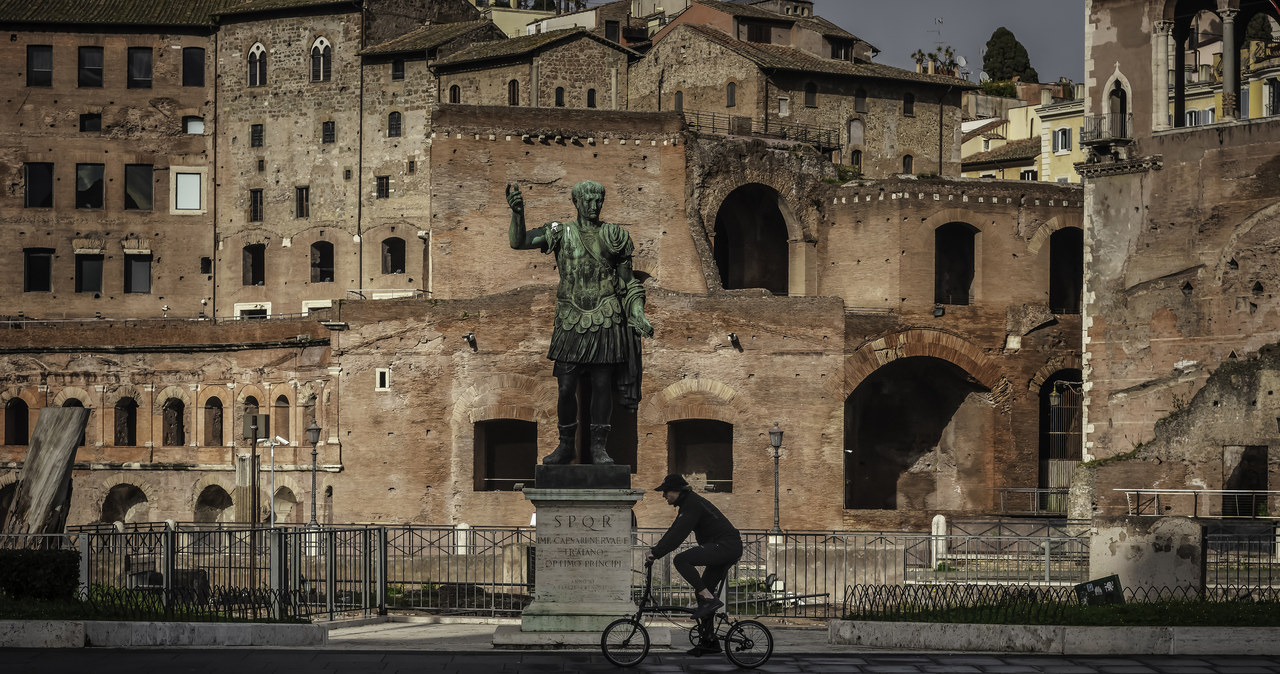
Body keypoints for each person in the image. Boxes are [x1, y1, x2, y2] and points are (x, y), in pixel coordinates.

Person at [506, 181, 653, 465]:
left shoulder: (615, 235)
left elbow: (628, 282)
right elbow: (518, 241)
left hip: (606, 315)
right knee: (565, 385)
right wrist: (518, 213)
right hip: (570, 317)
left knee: (601, 384)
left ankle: (599, 447)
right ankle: (566, 445)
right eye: (588, 200)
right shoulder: (559, 232)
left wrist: (637, 313)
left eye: (598, 200)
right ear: (576, 202)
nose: (594, 206)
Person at [646, 473, 743, 656]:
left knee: (681, 560)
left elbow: (677, 536)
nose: (663, 496)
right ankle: (709, 642)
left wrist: (656, 553)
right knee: (702, 593)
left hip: (725, 546)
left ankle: (708, 597)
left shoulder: (691, 504)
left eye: (665, 492)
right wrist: (655, 549)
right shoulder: (687, 504)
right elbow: (673, 531)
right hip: (725, 546)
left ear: (676, 490)